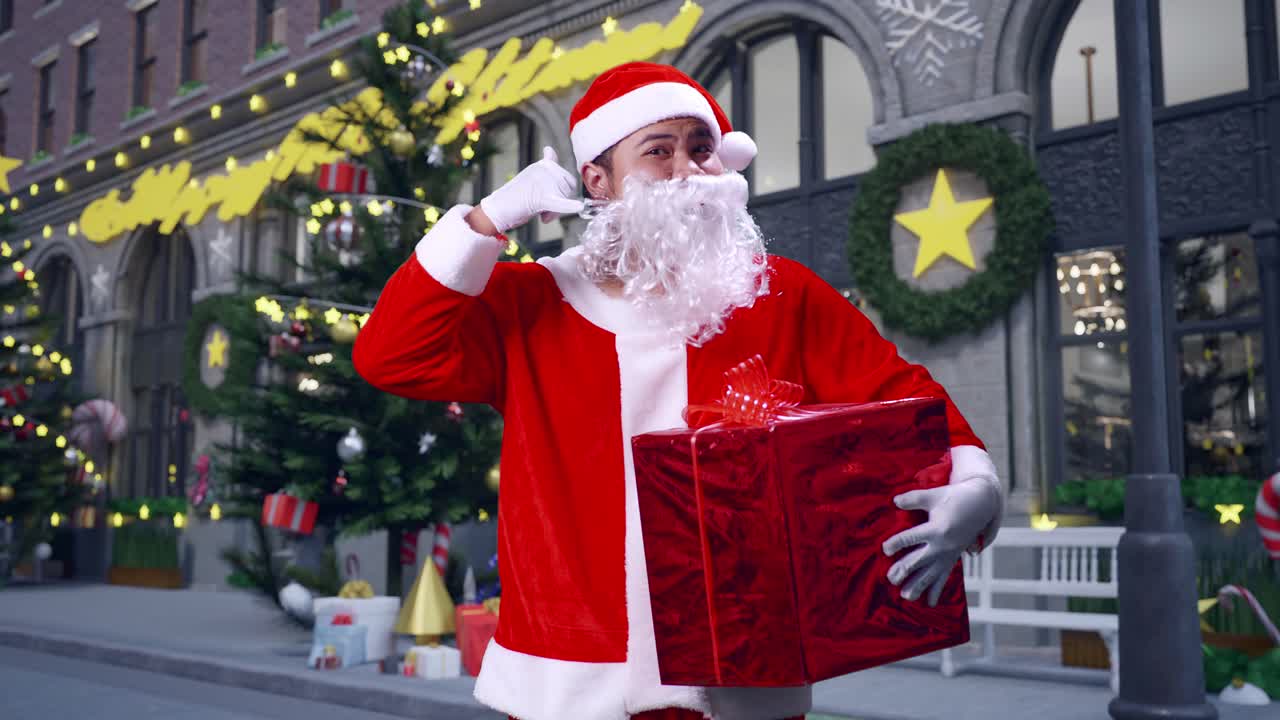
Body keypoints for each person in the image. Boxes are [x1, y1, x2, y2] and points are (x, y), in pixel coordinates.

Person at [354, 62, 1003, 720]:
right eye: (658, 152)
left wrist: (973, 483)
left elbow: (907, 399)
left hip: (746, 677)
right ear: (597, 182)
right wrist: (486, 221)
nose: (689, 169)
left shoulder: (779, 292)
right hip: (575, 685)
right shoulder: (531, 303)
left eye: (701, 149)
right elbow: (392, 356)